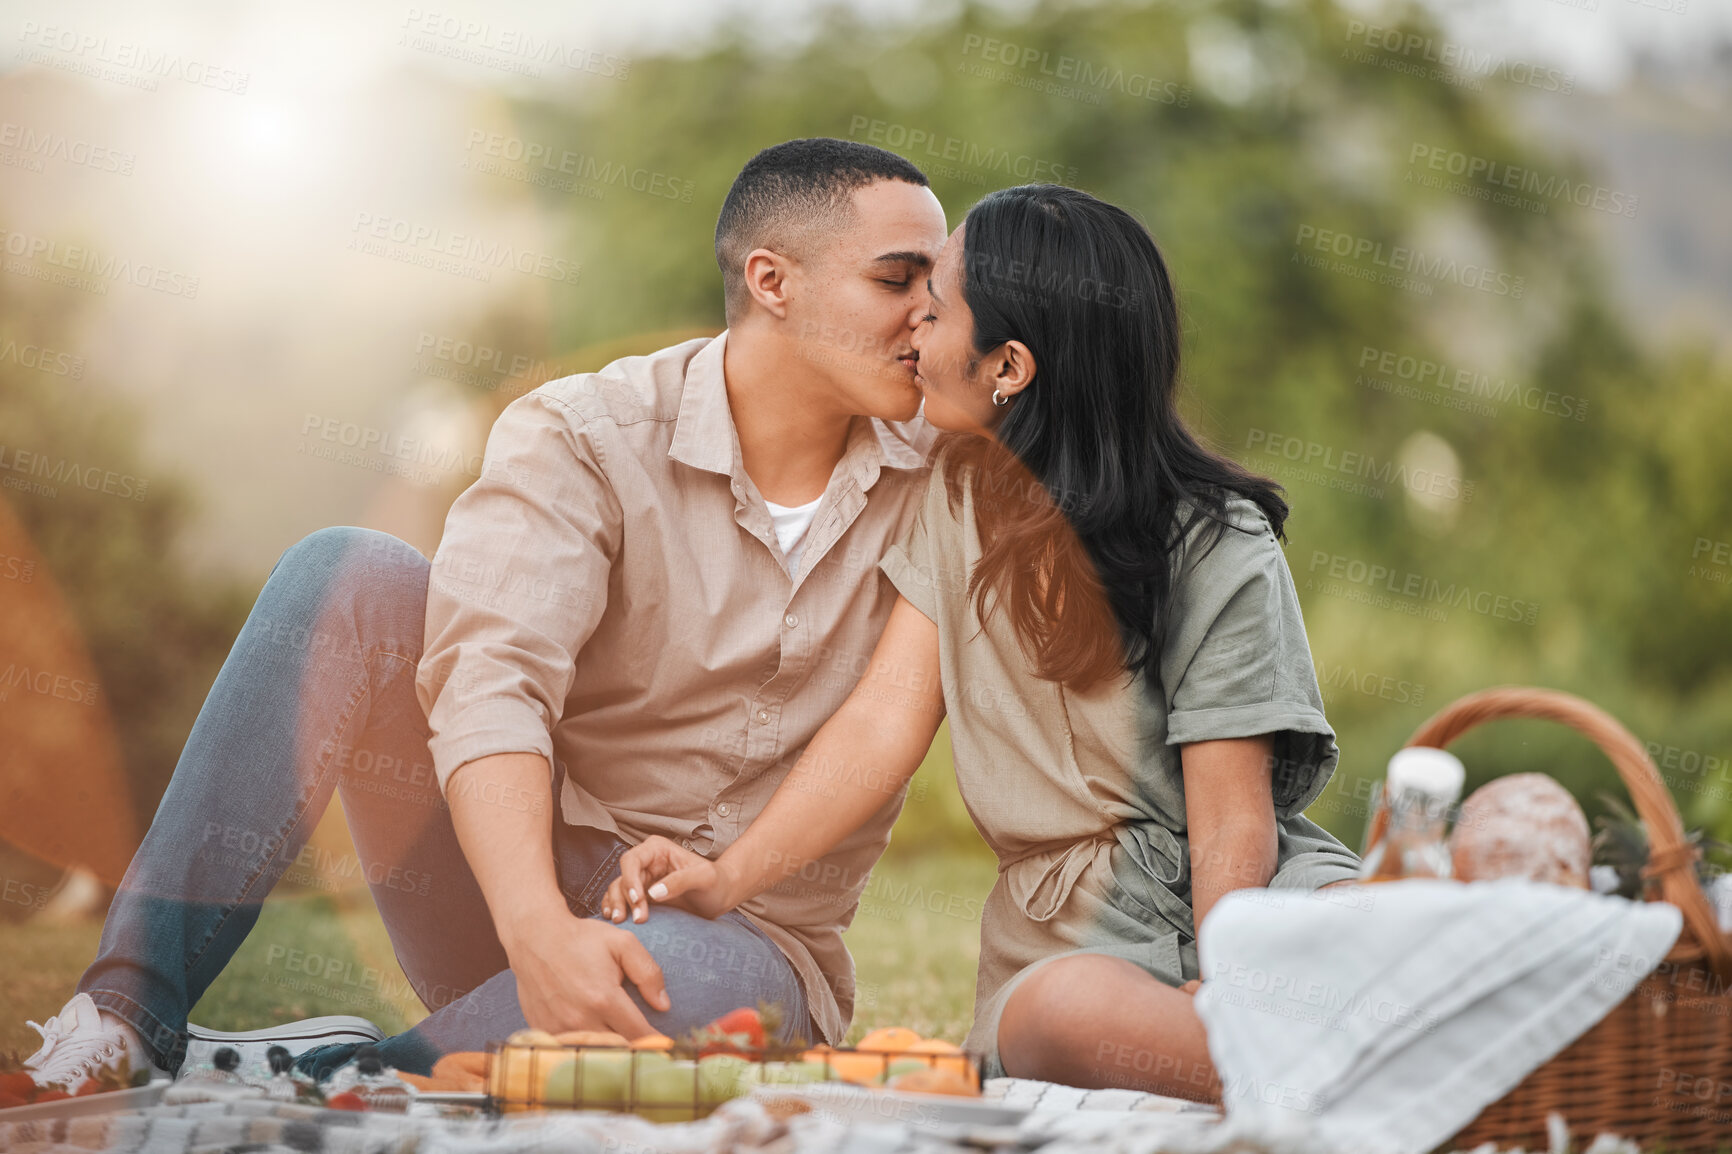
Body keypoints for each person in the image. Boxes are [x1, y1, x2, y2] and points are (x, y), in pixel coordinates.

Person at [20, 137, 951, 1090]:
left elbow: (891, 717)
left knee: (695, 987)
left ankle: (335, 1075)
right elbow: (493, 680)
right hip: (514, 879)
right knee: (348, 574)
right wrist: (536, 924)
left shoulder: (951, 476)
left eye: (941, 283)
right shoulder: (586, 433)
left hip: (735, 942)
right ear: (771, 282)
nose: (931, 310)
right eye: (896, 279)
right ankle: (124, 1018)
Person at [599, 183, 1363, 1100]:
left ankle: (1298, 1052)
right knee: (1064, 1013)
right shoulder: (954, 503)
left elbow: (1233, 816)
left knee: (1375, 917)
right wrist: (726, 879)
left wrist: (1233, 976)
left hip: (1249, 901)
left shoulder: (1215, 539)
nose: (911, 331)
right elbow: (880, 724)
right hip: (1077, 939)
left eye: (935, 308)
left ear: (1009, 366)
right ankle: (1352, 1072)